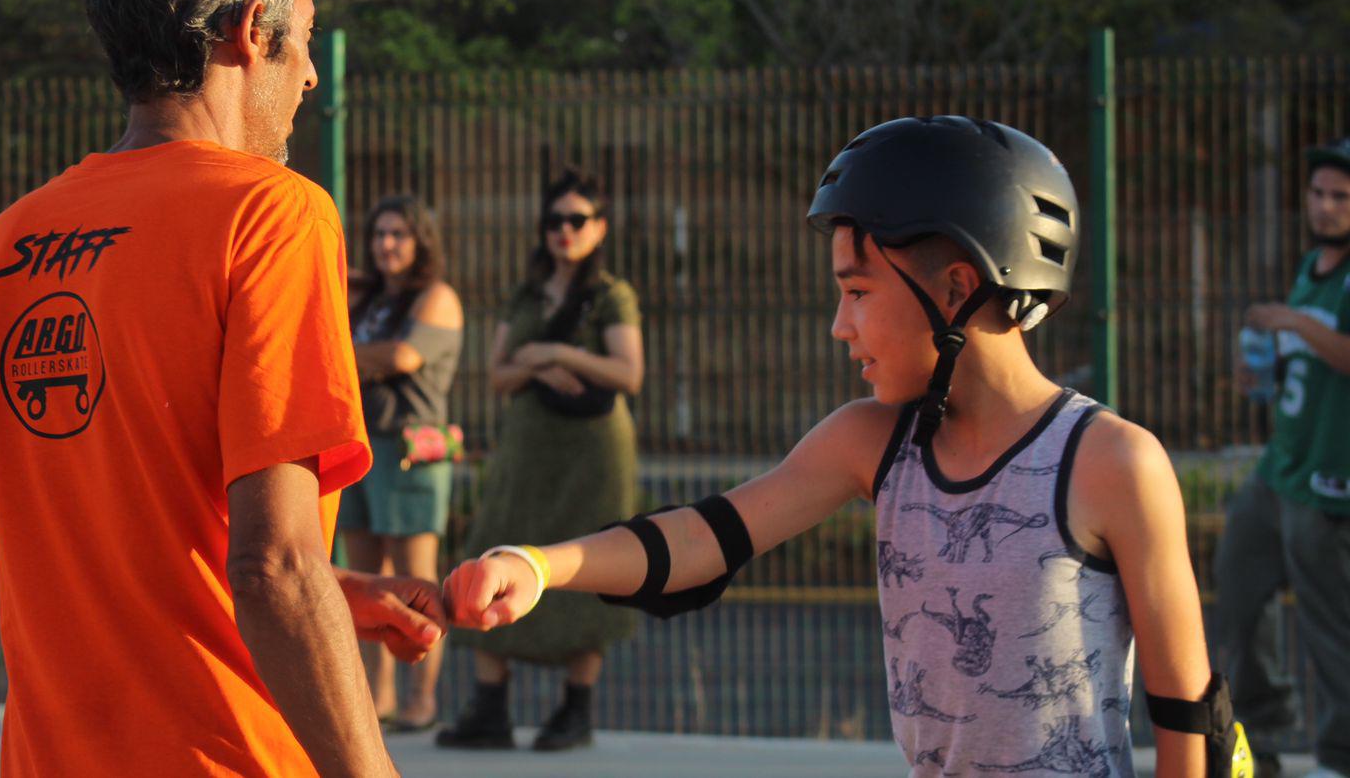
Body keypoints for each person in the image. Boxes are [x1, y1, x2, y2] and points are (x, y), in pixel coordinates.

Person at [445, 117, 1245, 777]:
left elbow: (1189, 712)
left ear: (957, 290)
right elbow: (705, 537)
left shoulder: (1111, 462)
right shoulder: (875, 442)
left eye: (857, 293)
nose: (840, 326)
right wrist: (538, 566)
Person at [0, 0, 444, 778]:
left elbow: (95, 543)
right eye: (303, 36)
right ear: (249, 30)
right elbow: (274, 567)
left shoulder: (10, 242)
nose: (308, 72)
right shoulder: (273, 214)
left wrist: (330, 601)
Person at [437, 168, 645, 753]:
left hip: (593, 451)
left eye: (577, 220)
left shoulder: (611, 295)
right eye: (555, 220)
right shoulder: (526, 294)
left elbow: (629, 372)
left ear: (599, 229)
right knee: (497, 541)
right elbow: (499, 375)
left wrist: (556, 352)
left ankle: (575, 710)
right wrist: (534, 367)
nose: (564, 231)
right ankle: (490, 708)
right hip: (528, 447)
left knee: (588, 558)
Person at [1216, 137, 1350, 778]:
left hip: (1331, 479)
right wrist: (1257, 369)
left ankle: (1339, 755)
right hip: (1280, 468)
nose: (1326, 206)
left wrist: (1292, 324)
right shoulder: (1312, 265)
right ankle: (1262, 738)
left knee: (1331, 626)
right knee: (1237, 584)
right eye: (1319, 193)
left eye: (1341, 197)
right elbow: (1311, 363)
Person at [340, 196, 465, 732]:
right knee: (370, 581)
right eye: (380, 233)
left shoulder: (436, 297)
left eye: (399, 234)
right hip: (361, 441)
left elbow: (403, 358)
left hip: (414, 449)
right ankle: (379, 701)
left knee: (417, 580)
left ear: (420, 242)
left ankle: (423, 700)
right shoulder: (369, 297)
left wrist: (337, 350)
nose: (387, 244)